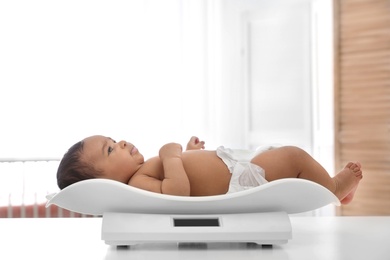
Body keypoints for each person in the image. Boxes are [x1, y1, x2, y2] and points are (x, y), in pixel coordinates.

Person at [57, 135, 362, 205]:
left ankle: (334, 192)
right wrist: (172, 156)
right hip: (242, 178)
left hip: (239, 167)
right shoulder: (138, 183)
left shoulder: (143, 172)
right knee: (294, 157)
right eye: (110, 150)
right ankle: (335, 188)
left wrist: (190, 152)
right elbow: (177, 192)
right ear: (104, 180)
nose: (121, 141)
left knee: (281, 154)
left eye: (113, 139)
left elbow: (190, 176)